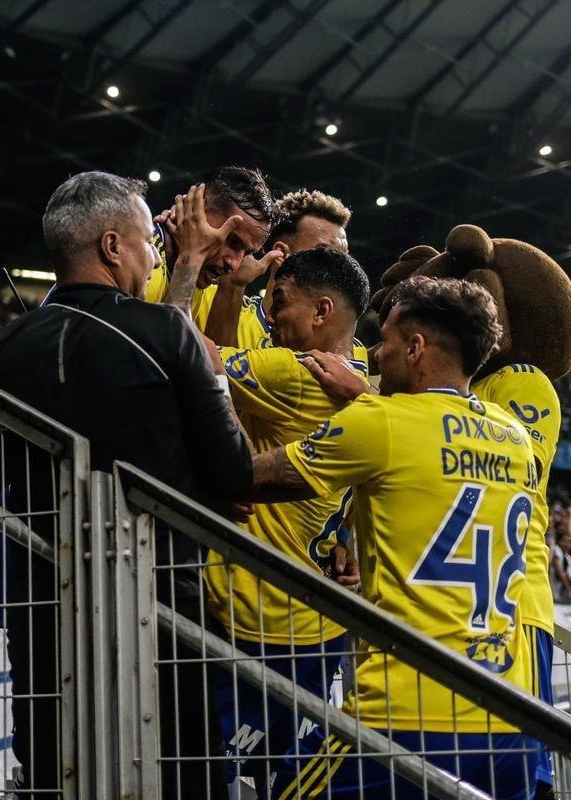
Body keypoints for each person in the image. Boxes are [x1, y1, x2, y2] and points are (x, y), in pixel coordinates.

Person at [0, 171, 256, 799]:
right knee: (183, 775)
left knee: (56, 773)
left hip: (43, 613)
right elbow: (235, 474)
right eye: (149, 242)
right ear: (113, 247)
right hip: (160, 614)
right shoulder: (169, 332)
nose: (153, 256)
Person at [246, 276, 540, 800]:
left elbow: (247, 478)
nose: (374, 354)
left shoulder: (379, 422)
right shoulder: (515, 438)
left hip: (405, 717)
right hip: (508, 719)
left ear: (416, 347)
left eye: (383, 339)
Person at [195, 244, 370, 792]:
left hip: (257, 622)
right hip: (320, 624)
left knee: (216, 776)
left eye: (281, 302)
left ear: (322, 312)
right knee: (290, 784)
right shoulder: (363, 375)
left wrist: (209, 277)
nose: (269, 316)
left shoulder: (298, 372)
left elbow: (195, 353)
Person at [204, 189, 359, 354]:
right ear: (282, 253)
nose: (340, 267)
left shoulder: (344, 346)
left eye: (343, 257)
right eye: (324, 253)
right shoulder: (208, 303)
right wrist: (231, 288)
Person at [143, 166, 277, 329]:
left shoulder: (200, 277)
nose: (233, 264)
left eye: (247, 253)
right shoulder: (136, 257)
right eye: (232, 241)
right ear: (196, 208)